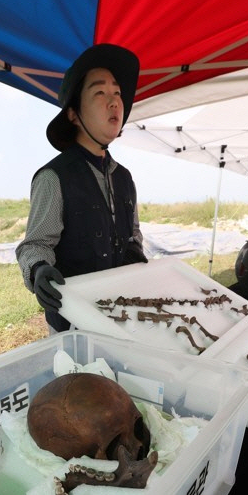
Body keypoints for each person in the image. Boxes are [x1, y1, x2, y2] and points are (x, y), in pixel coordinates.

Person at [16, 43, 148, 333]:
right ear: (74, 114)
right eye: (100, 93)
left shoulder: (124, 178)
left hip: (121, 317)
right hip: (73, 324)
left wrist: (135, 255)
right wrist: (39, 270)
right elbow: (35, 245)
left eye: (117, 93)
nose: (114, 102)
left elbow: (133, 235)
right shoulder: (54, 177)